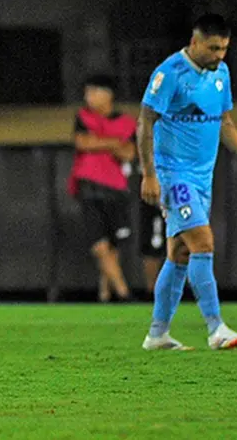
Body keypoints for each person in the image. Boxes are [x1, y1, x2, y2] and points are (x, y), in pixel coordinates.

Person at [138, 14, 237, 351]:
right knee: (203, 243)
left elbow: (224, 121)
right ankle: (216, 328)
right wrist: (150, 174)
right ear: (195, 43)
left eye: (224, 48)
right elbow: (145, 122)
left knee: (180, 254)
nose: (220, 55)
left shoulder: (220, 73)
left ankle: (157, 334)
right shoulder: (169, 74)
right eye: (213, 48)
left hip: (202, 177)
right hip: (173, 174)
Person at [68, 74, 137, 303]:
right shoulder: (83, 117)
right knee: (99, 245)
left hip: (116, 187)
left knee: (114, 246)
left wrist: (100, 142)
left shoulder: (127, 122)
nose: (88, 97)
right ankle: (124, 293)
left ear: (108, 94)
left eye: (93, 92)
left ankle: (105, 294)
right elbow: (82, 143)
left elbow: (129, 153)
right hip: (90, 186)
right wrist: (114, 143)